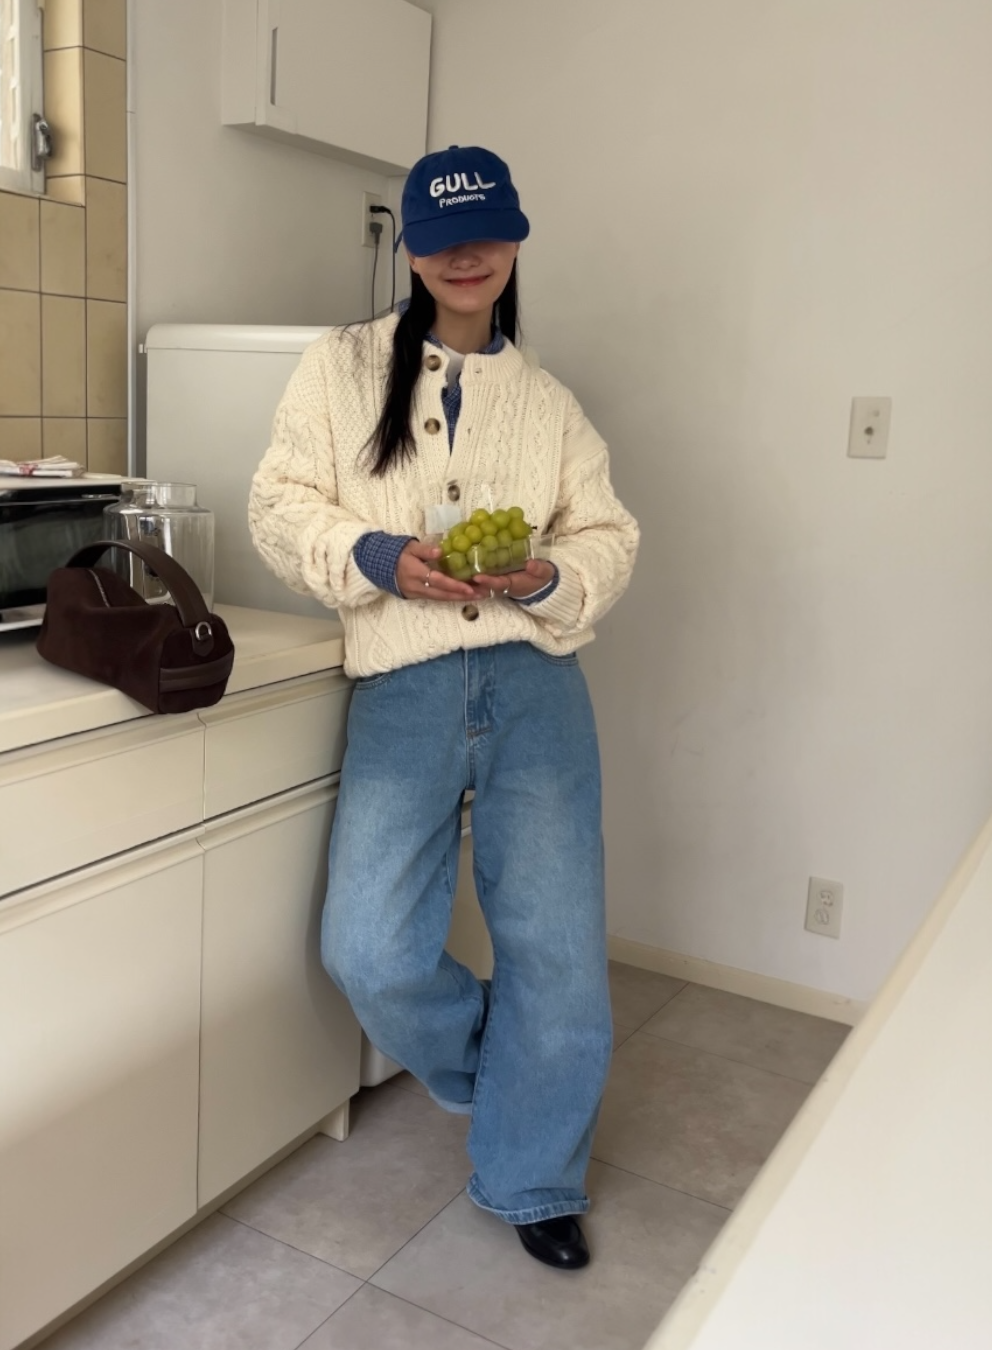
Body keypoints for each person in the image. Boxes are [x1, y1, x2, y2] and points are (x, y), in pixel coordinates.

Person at [248, 145, 638, 1271]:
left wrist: (546, 576)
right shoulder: (337, 369)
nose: (465, 255)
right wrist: (376, 555)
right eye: (441, 237)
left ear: (514, 242)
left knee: (557, 950)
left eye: (486, 233)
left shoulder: (550, 404)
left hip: (535, 689)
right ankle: (514, 1070)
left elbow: (609, 536)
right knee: (368, 947)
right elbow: (278, 506)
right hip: (403, 689)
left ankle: (533, 1174)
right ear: (413, 251)